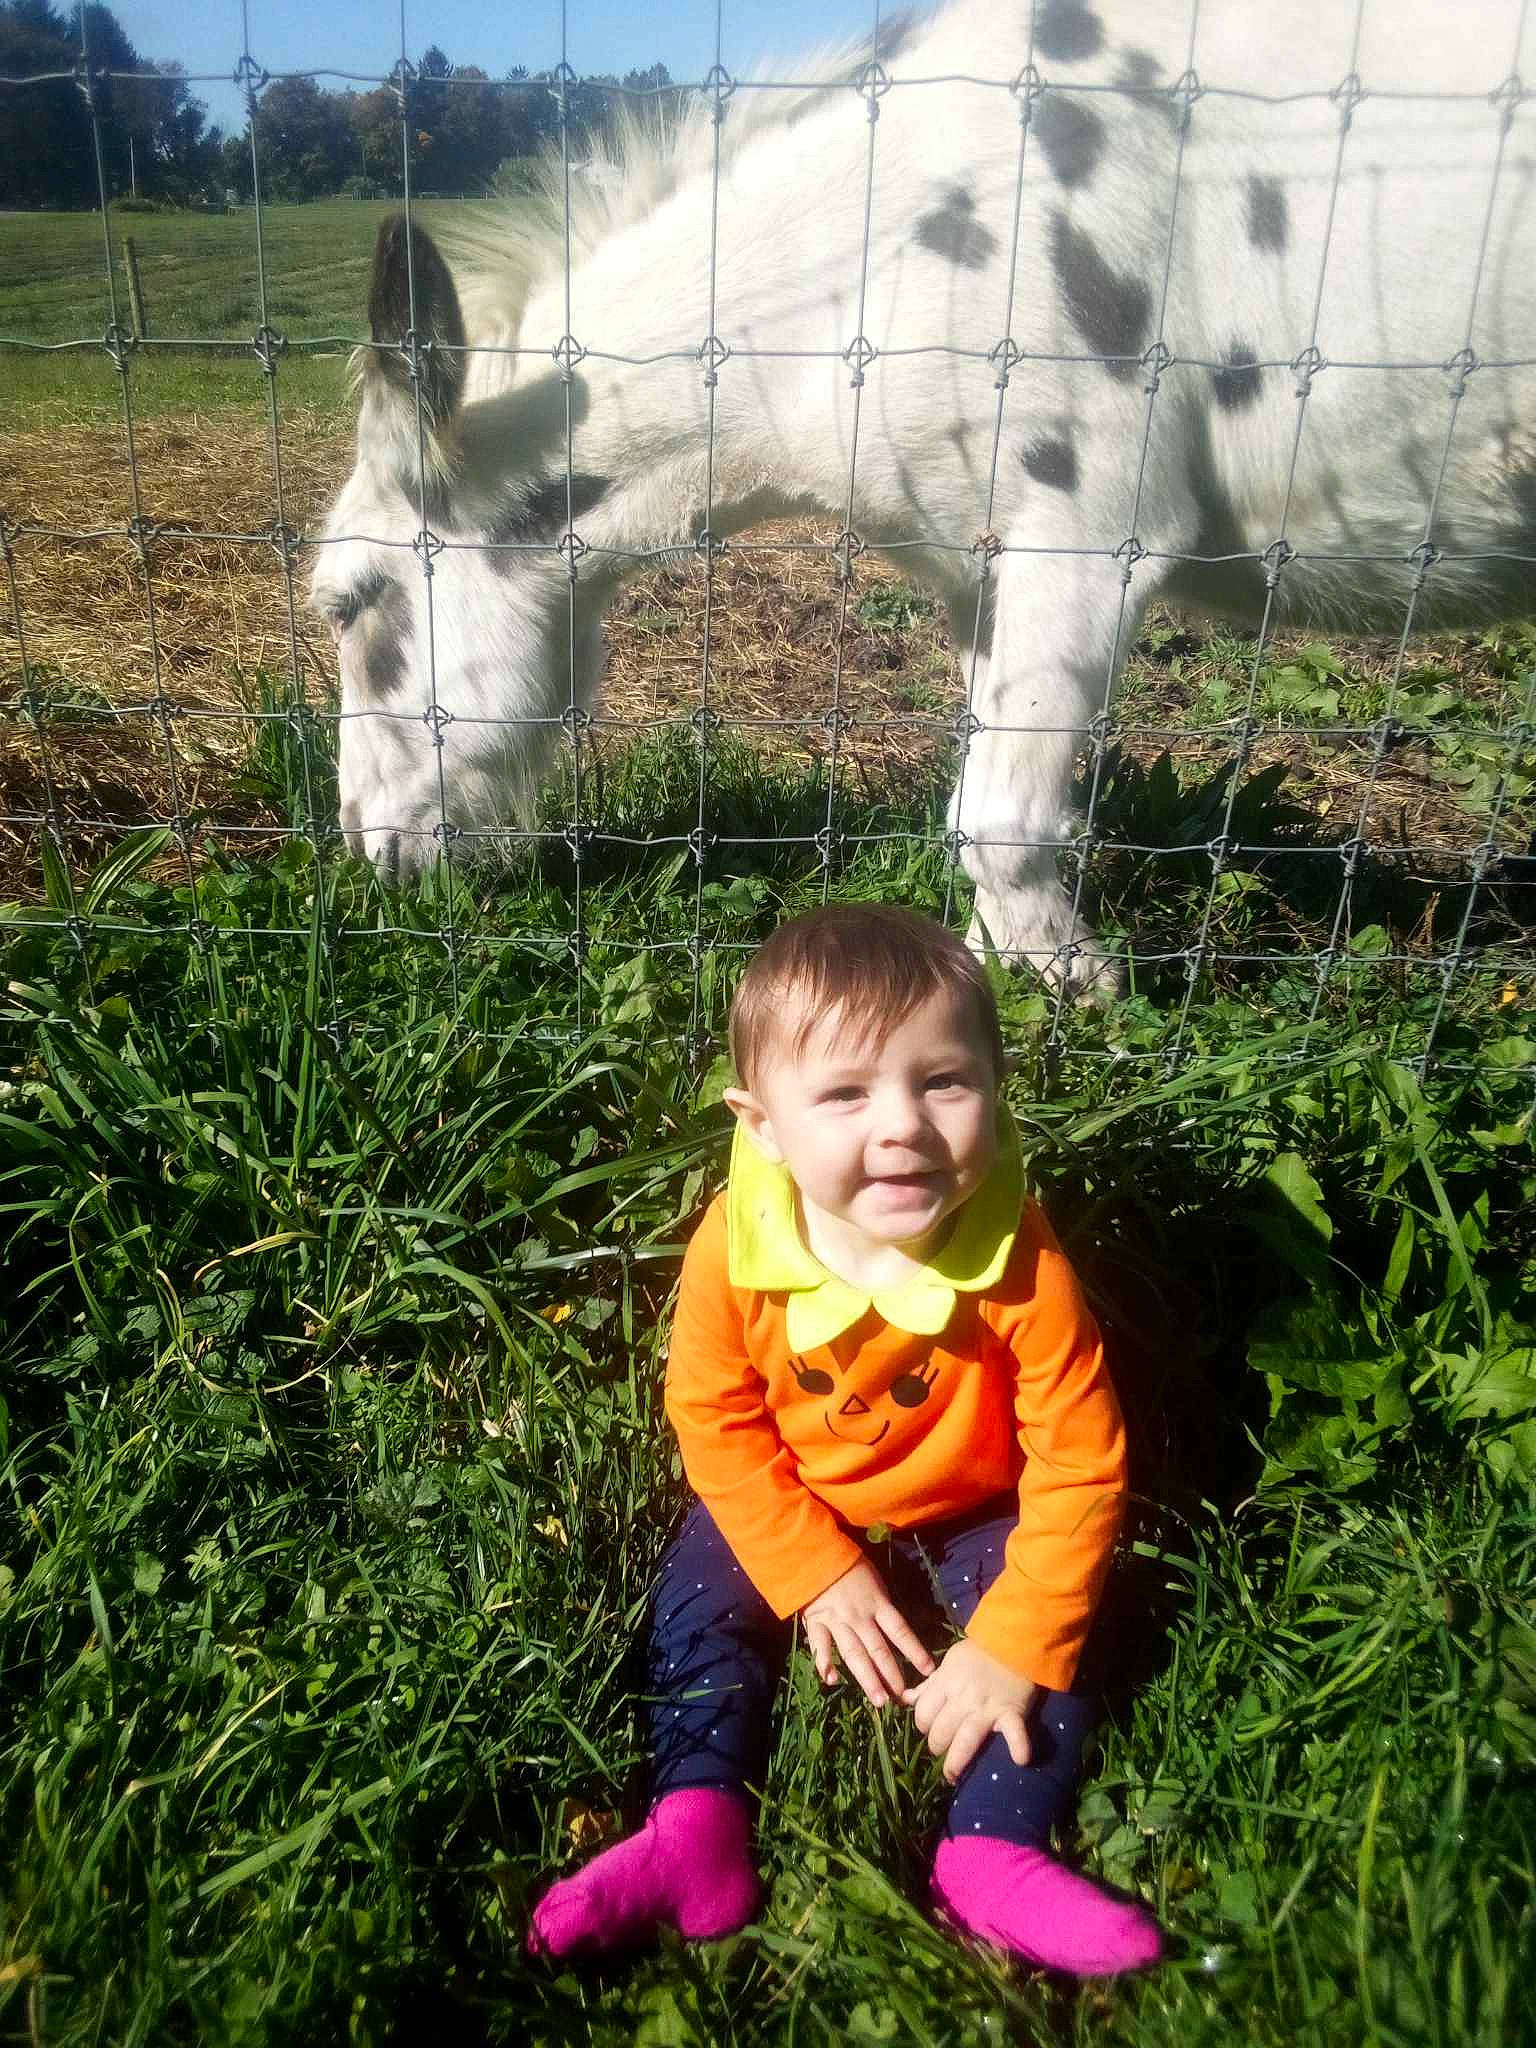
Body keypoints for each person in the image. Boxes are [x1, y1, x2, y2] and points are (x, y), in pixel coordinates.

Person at [528, 903, 1162, 1975]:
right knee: (696, 1599)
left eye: (944, 1080)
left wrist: (1013, 1638)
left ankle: (991, 1850)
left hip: (979, 1504)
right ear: (762, 1121)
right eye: (845, 1093)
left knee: (1068, 1616)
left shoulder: (1018, 1256)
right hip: (799, 1491)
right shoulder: (735, 1242)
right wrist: (815, 1570)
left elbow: (1080, 1455)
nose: (903, 1124)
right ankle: (697, 1827)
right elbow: (713, 1416)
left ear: (997, 1085)